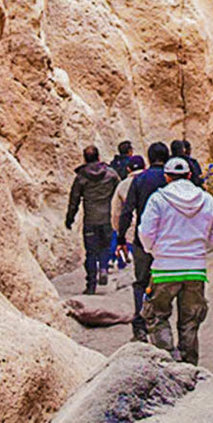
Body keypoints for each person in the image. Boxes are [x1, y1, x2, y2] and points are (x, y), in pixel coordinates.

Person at [137, 157, 213, 365]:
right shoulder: (206, 199)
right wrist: (201, 247)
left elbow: (146, 232)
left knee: (156, 316)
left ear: (167, 177)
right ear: (189, 175)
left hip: (164, 269)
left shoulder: (158, 199)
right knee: (190, 321)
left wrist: (154, 250)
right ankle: (189, 365)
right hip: (195, 269)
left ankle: (167, 361)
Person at [117, 142, 170, 342]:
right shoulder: (171, 179)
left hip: (142, 239)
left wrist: (122, 238)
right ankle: (160, 323)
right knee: (165, 281)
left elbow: (127, 211)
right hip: (167, 241)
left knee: (141, 281)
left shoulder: (140, 180)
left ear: (148, 158)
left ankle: (140, 326)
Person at [65, 145, 120, 295]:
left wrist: (70, 218)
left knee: (90, 252)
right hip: (106, 217)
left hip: (90, 219)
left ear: (85, 158)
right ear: (99, 157)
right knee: (104, 247)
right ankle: (103, 268)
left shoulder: (81, 177)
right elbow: (119, 191)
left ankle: (91, 285)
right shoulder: (111, 174)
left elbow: (74, 200)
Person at [110, 155, 146, 269]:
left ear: (128, 169)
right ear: (145, 167)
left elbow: (116, 211)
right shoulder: (149, 181)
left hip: (129, 228)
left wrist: (118, 230)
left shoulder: (123, 185)